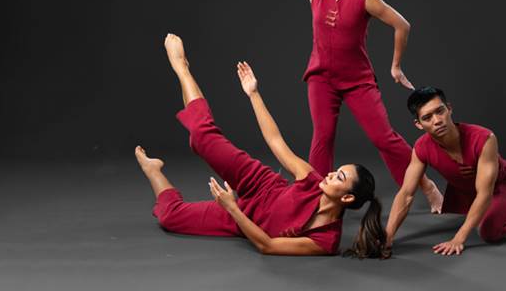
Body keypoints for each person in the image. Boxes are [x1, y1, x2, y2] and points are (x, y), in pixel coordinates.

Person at [135, 33, 390, 258]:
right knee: (201, 137)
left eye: (339, 177)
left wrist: (232, 209)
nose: (331, 173)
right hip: (259, 184)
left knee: (171, 218)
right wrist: (254, 94)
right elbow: (276, 141)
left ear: (346, 196)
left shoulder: (325, 241)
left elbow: (267, 245)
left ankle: (154, 170)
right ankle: (182, 68)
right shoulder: (312, 181)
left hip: (243, 218)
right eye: (337, 170)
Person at [291, 0, 443, 212]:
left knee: (384, 138)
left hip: (357, 80)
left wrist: (395, 66)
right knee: (322, 140)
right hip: (321, 79)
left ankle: (427, 186)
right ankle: (316, 203)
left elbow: (402, 25)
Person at [385, 87, 506, 256]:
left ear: (449, 108)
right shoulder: (421, 148)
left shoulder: (484, 137)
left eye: (440, 111)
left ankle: (501, 210)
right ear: (419, 124)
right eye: (427, 117)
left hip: (499, 184)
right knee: (478, 209)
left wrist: (458, 238)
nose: (437, 121)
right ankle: (481, 211)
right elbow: (406, 193)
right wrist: (388, 236)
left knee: (489, 231)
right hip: (466, 187)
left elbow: (485, 193)